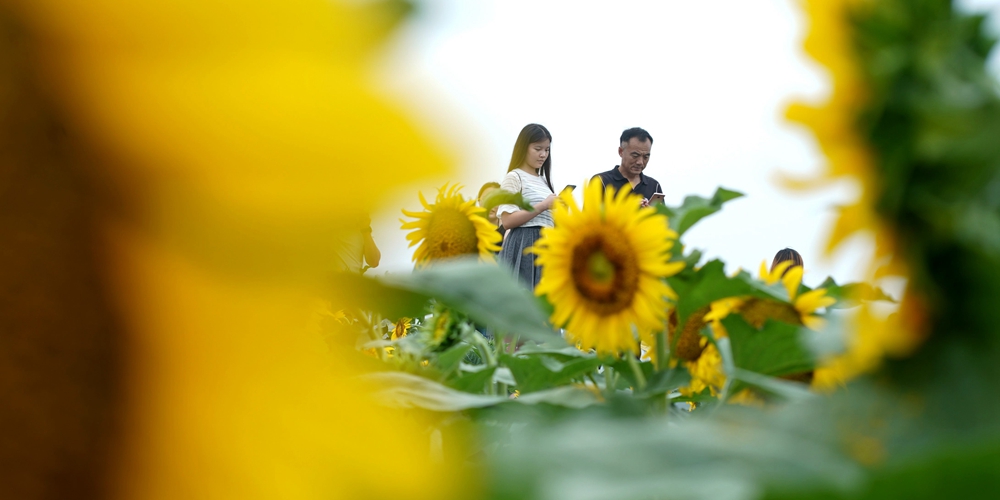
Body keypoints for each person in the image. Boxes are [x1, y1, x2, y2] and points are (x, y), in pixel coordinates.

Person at [496, 124, 557, 290]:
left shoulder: (544, 182)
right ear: (524, 147)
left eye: (547, 150)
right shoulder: (514, 177)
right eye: (538, 149)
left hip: (546, 248)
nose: (543, 154)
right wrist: (543, 205)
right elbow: (507, 220)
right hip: (525, 245)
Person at [592, 127, 663, 206]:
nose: (640, 162)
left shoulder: (654, 186)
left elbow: (665, 218)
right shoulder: (600, 181)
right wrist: (628, 209)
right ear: (621, 152)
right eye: (635, 155)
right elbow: (590, 216)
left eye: (646, 157)